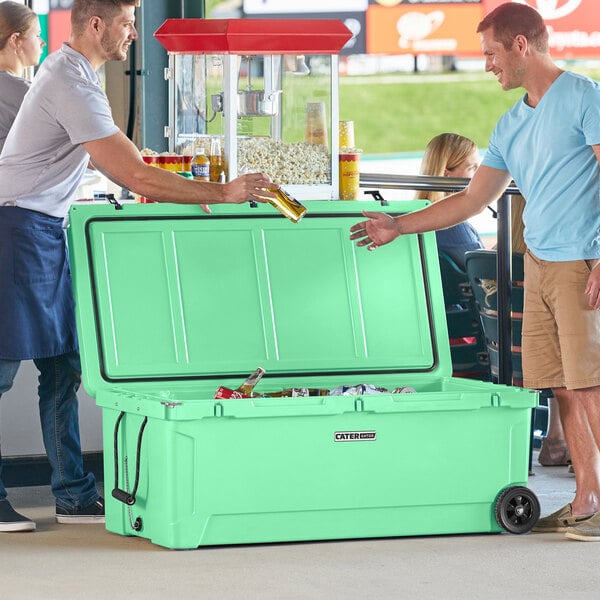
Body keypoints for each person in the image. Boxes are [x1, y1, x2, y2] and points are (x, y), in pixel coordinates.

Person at [0, 0, 275, 533]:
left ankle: (74, 494)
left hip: (42, 230)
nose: (134, 34)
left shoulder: (75, 74)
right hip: (15, 230)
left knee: (65, 366)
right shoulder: (70, 81)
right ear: (97, 24)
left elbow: (126, 159)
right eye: (128, 23)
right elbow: (137, 175)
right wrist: (222, 192)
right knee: (2, 371)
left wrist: (180, 185)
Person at [350, 2, 600, 541]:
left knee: (591, 386)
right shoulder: (511, 122)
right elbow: (470, 200)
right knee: (560, 387)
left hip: (582, 260)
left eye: (490, 54)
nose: (487, 65)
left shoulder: (584, 97)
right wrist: (399, 224)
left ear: (520, 45)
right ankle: (587, 498)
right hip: (538, 263)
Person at [416, 133, 484, 268]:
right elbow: (485, 276)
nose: (479, 174)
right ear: (446, 174)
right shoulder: (455, 226)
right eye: (472, 168)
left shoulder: (416, 216)